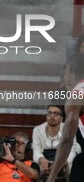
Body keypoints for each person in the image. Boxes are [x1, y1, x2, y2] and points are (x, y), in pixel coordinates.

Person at [46, 53, 84, 182]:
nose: (67, 77)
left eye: (71, 71)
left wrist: (50, 178)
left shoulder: (77, 95)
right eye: (66, 72)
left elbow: (67, 141)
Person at [32, 105, 81, 180]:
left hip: (63, 157)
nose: (52, 116)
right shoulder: (37, 130)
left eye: (55, 113)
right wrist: (41, 159)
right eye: (49, 113)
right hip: (45, 157)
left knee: (72, 167)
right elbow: (36, 149)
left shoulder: (69, 129)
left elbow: (72, 151)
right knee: (35, 167)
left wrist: (63, 162)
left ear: (62, 118)